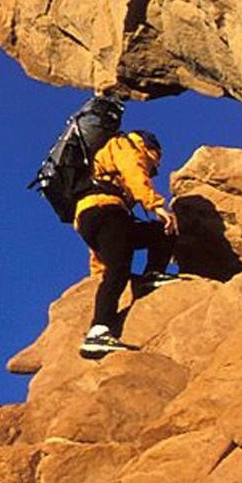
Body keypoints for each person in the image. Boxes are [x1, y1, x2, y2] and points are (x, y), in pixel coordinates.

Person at [74, 130, 180, 357]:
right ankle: (98, 332)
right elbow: (134, 174)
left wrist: (96, 270)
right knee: (119, 270)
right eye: (154, 164)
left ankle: (152, 276)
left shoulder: (107, 158)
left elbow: (102, 246)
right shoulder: (126, 146)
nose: (152, 170)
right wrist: (156, 206)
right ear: (150, 149)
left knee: (158, 232)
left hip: (93, 216)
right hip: (107, 211)